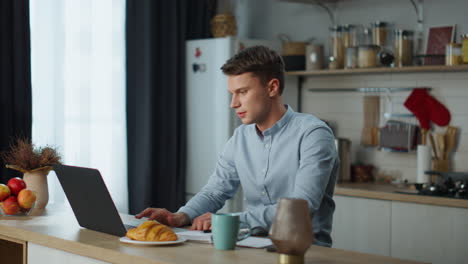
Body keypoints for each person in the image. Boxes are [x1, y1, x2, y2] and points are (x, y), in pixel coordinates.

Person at [136, 45, 339, 247]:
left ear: (272, 88)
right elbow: (215, 191)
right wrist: (181, 216)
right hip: (251, 248)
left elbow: (300, 207)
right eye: (232, 93)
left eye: (242, 92)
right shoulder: (241, 136)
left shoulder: (313, 134)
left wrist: (231, 220)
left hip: (305, 254)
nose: (233, 103)